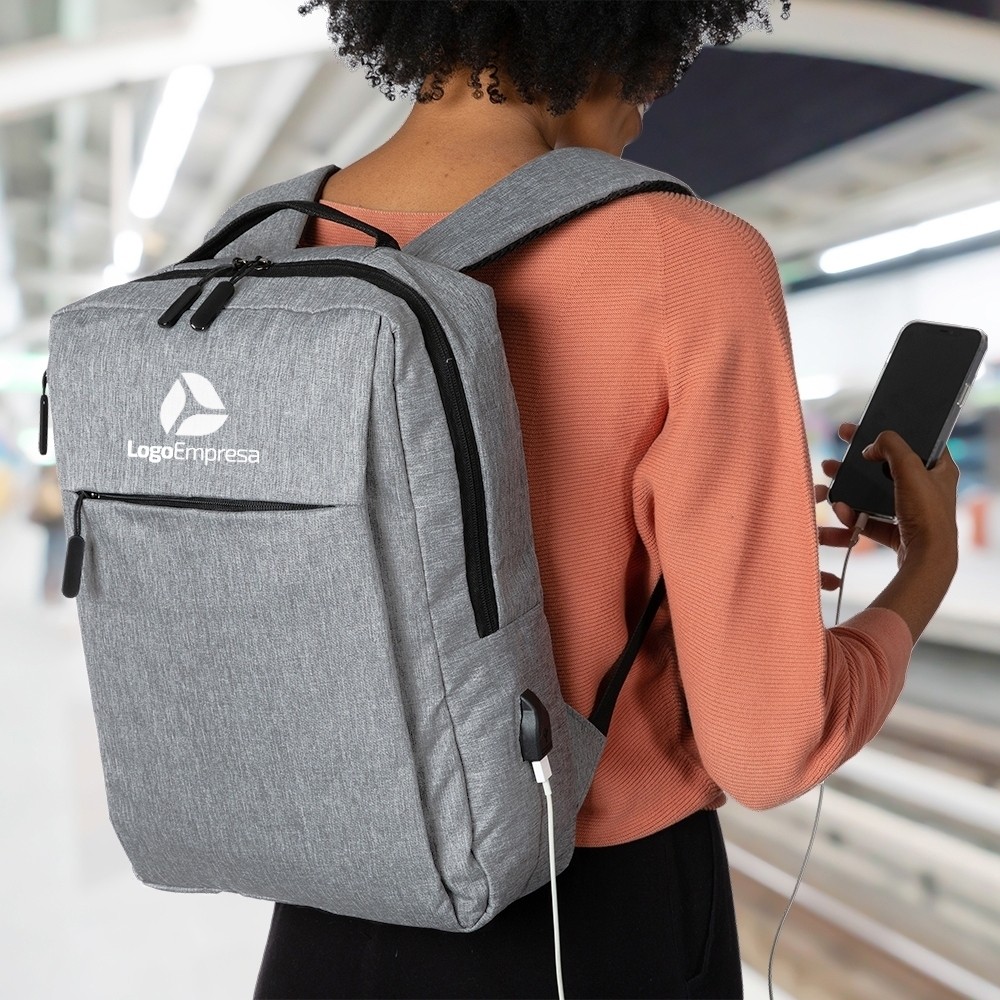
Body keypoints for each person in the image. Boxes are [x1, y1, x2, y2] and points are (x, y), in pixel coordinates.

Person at [253, 3, 960, 997]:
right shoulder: (686, 257)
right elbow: (766, 749)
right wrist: (922, 579)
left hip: (322, 919)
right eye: (658, 67)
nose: (650, 99)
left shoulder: (255, 249)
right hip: (588, 922)